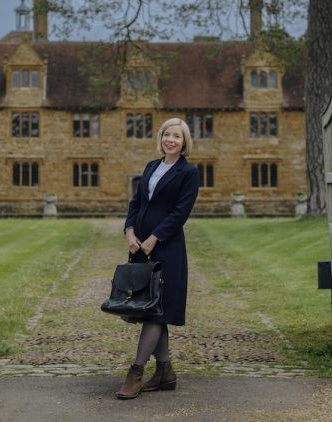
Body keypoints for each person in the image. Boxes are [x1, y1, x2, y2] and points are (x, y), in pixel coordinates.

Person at [117, 117, 200, 400]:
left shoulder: (188, 172)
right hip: (139, 247)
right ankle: (165, 372)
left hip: (166, 248)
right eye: (167, 134)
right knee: (152, 308)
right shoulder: (152, 166)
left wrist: (154, 238)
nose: (171, 140)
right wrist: (130, 232)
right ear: (161, 137)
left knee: (156, 311)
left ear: (184, 141)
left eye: (177, 136)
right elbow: (136, 202)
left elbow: (180, 212)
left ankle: (136, 372)